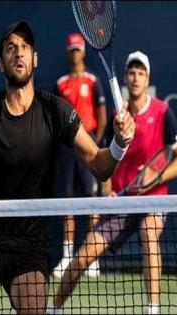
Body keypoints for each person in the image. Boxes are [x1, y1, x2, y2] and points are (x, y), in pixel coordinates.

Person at [0, 20, 135, 315]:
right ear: (1, 63)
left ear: (35, 58)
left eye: (24, 48)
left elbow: (100, 166)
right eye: (11, 48)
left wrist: (119, 145)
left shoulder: (54, 110)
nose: (18, 53)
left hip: (29, 248)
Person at [49, 51, 177, 315]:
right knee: (82, 258)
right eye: (132, 72)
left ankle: (152, 310)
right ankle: (53, 309)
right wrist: (108, 191)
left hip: (154, 199)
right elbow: (105, 162)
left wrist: (156, 176)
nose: (136, 77)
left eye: (141, 73)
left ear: (147, 78)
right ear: (126, 78)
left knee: (149, 235)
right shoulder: (119, 116)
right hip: (123, 200)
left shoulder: (162, 112)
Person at [53, 33, 107, 279]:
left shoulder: (93, 81)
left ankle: (91, 258)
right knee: (68, 202)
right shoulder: (61, 83)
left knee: (92, 202)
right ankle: (67, 257)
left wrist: (94, 146)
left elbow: (102, 116)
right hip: (67, 149)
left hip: (89, 146)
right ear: (68, 52)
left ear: (83, 52)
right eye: (72, 49)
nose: (75, 53)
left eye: (78, 49)